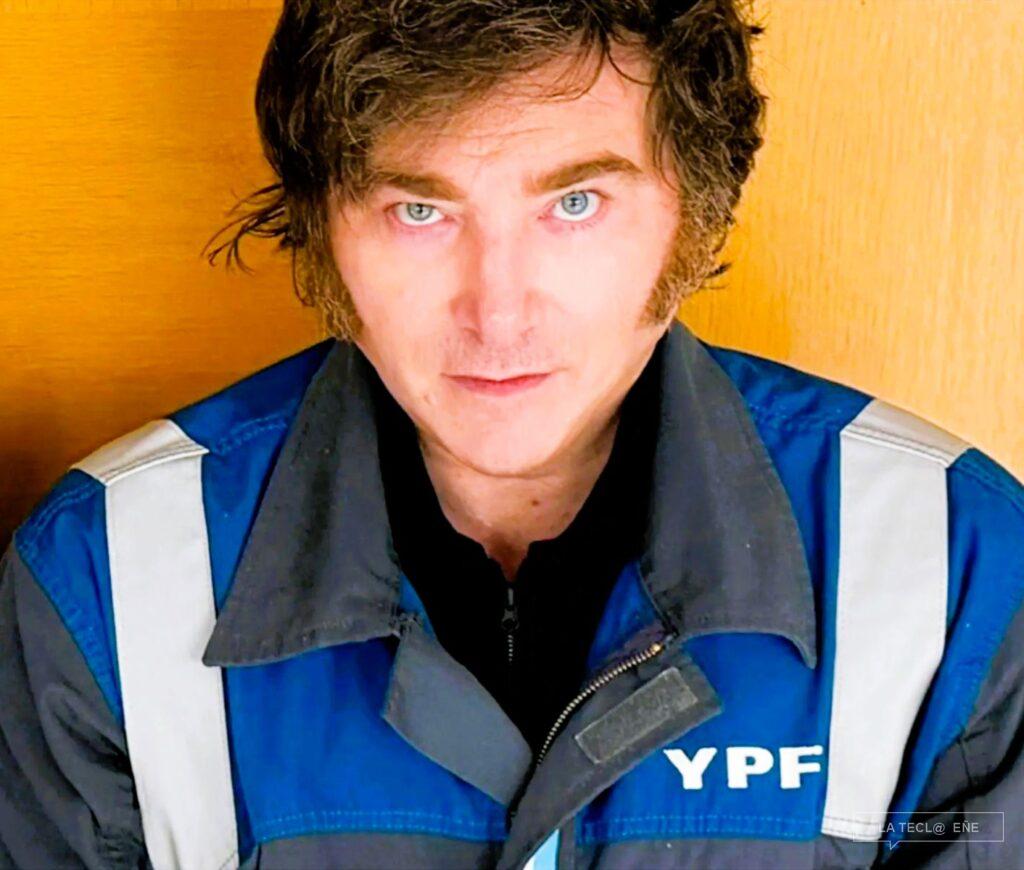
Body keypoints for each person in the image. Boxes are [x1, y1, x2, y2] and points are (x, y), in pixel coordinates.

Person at [1, 0, 1021, 867]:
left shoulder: (956, 568)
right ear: (325, 226)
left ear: (695, 209)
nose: (497, 315)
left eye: (575, 203)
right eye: (418, 210)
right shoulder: (103, 578)